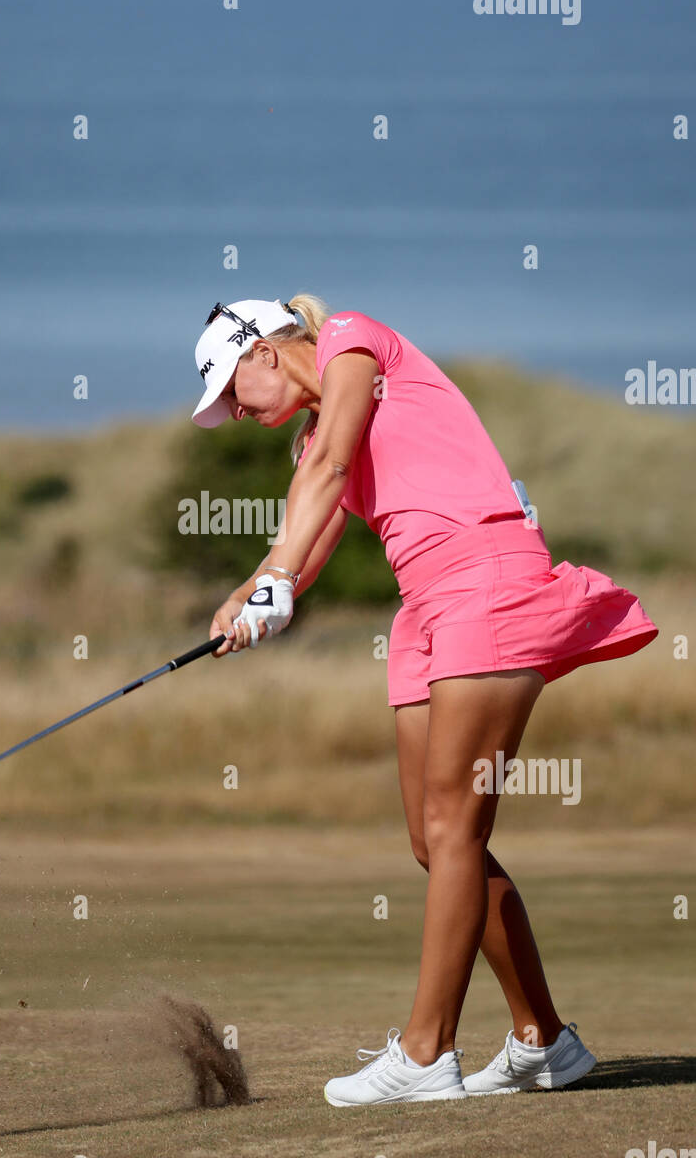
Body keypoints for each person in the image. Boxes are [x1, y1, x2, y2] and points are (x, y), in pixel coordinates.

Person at [192, 294, 659, 1105]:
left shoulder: (352, 342)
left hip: (486, 582)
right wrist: (252, 594)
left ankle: (424, 1054)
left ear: (265, 350)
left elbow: (338, 464)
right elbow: (309, 527)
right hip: (425, 612)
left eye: (231, 390)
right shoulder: (310, 437)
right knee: (432, 838)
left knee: (454, 825)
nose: (232, 412)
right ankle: (542, 1041)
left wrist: (274, 579)